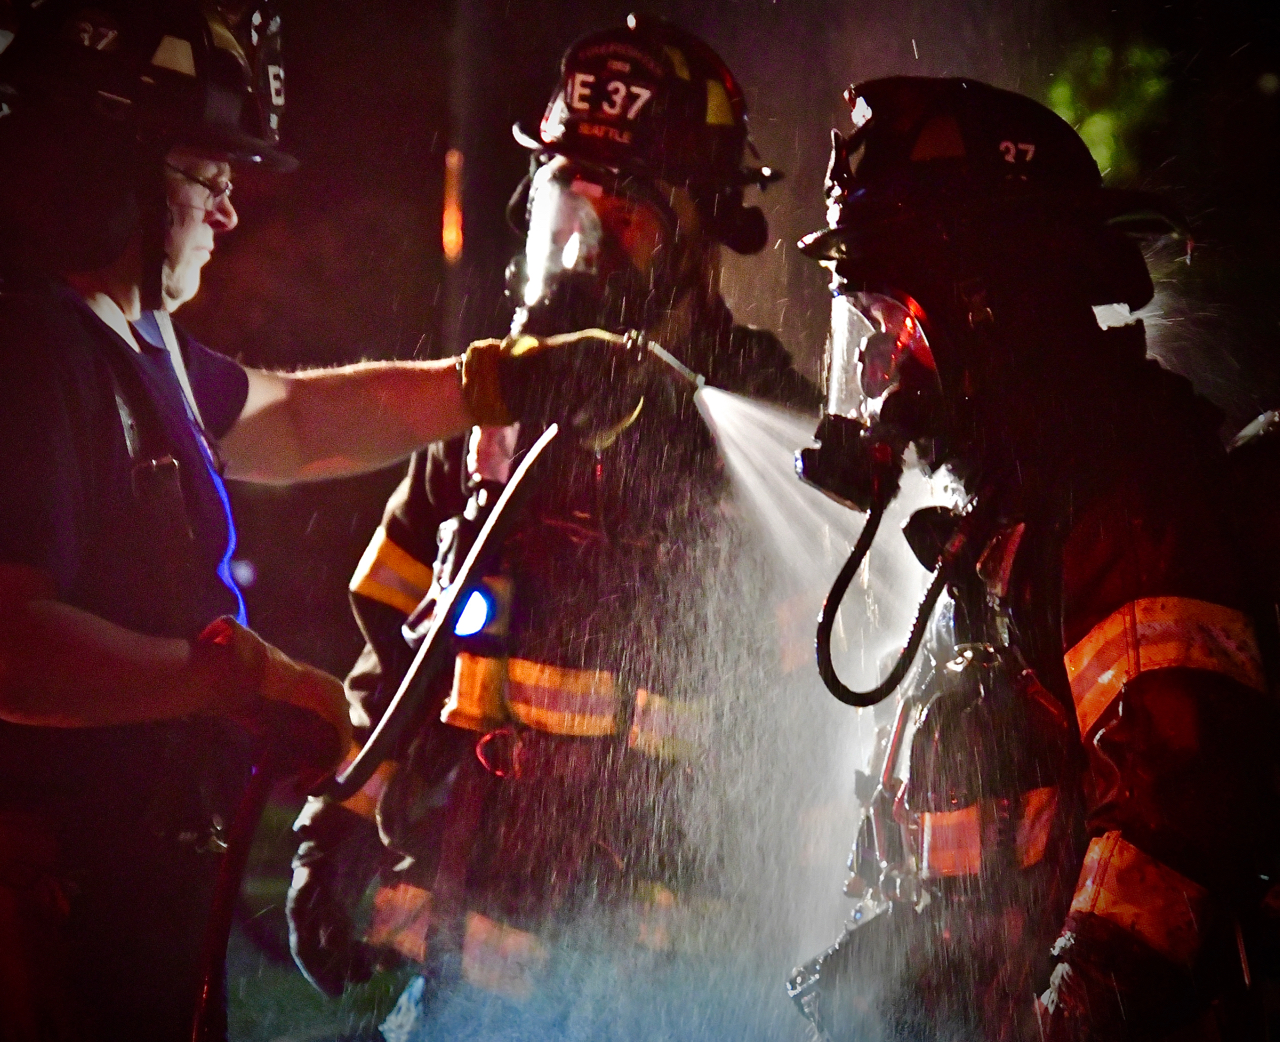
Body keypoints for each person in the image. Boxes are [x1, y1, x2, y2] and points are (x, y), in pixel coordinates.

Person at [0, 3, 632, 1040]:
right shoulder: (34, 355)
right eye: (209, 178)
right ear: (108, 176)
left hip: (123, 879)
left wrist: (500, 382)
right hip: (47, 905)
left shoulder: (132, 346)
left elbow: (294, 420)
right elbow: (14, 649)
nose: (229, 212)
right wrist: (238, 679)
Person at [284, 14, 817, 1034]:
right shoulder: (493, 410)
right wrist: (337, 826)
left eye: (623, 214)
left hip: (682, 995)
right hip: (474, 980)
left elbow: (812, 733)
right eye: (566, 205)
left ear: (701, 231)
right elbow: (394, 639)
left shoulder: (765, 428)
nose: (582, 245)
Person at [787, 77, 1275, 1041]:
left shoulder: (1123, 496)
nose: (881, 381)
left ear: (986, 303)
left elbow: (1163, 847)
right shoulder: (1001, 523)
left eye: (892, 329)